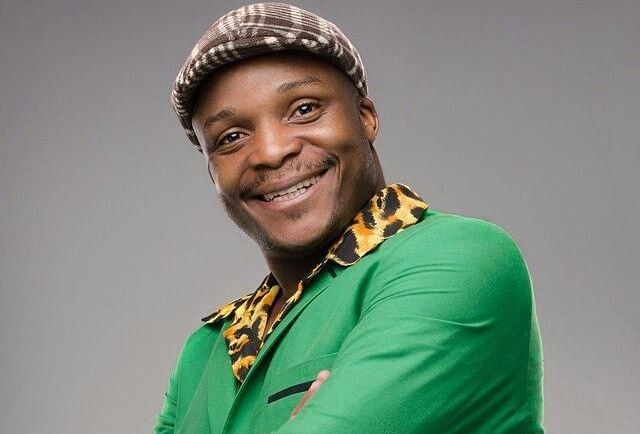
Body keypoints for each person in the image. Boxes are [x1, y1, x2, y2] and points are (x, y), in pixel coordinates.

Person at [155, 3, 544, 433]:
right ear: (212, 170)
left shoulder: (460, 259)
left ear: (365, 118)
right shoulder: (206, 351)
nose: (271, 151)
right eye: (231, 137)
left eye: (304, 109)